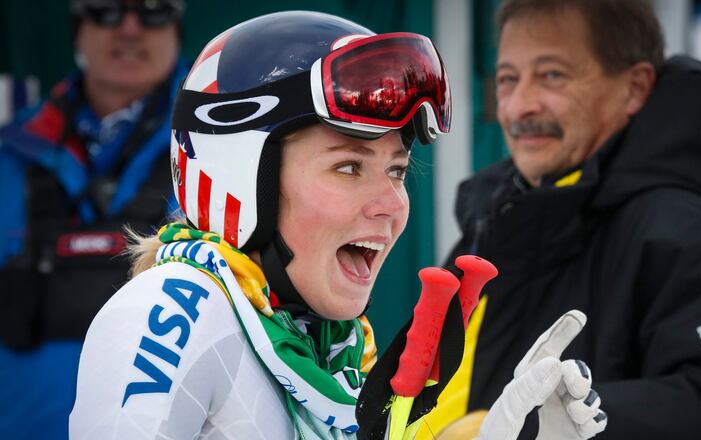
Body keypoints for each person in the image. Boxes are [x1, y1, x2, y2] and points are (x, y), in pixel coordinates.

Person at [69, 10, 607, 440]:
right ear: (237, 175)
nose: (390, 204)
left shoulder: (334, 347)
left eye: (396, 170)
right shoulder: (170, 313)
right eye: (348, 167)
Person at [420, 0, 701, 439]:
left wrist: (556, 426)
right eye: (507, 79)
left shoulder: (679, 228)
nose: (519, 107)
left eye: (552, 75)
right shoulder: (495, 223)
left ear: (634, 88)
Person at [0, 0, 186, 438]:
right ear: (76, 28)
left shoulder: (218, 153)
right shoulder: (10, 156)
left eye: (152, 10)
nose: (129, 28)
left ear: (177, 29)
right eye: (105, 10)